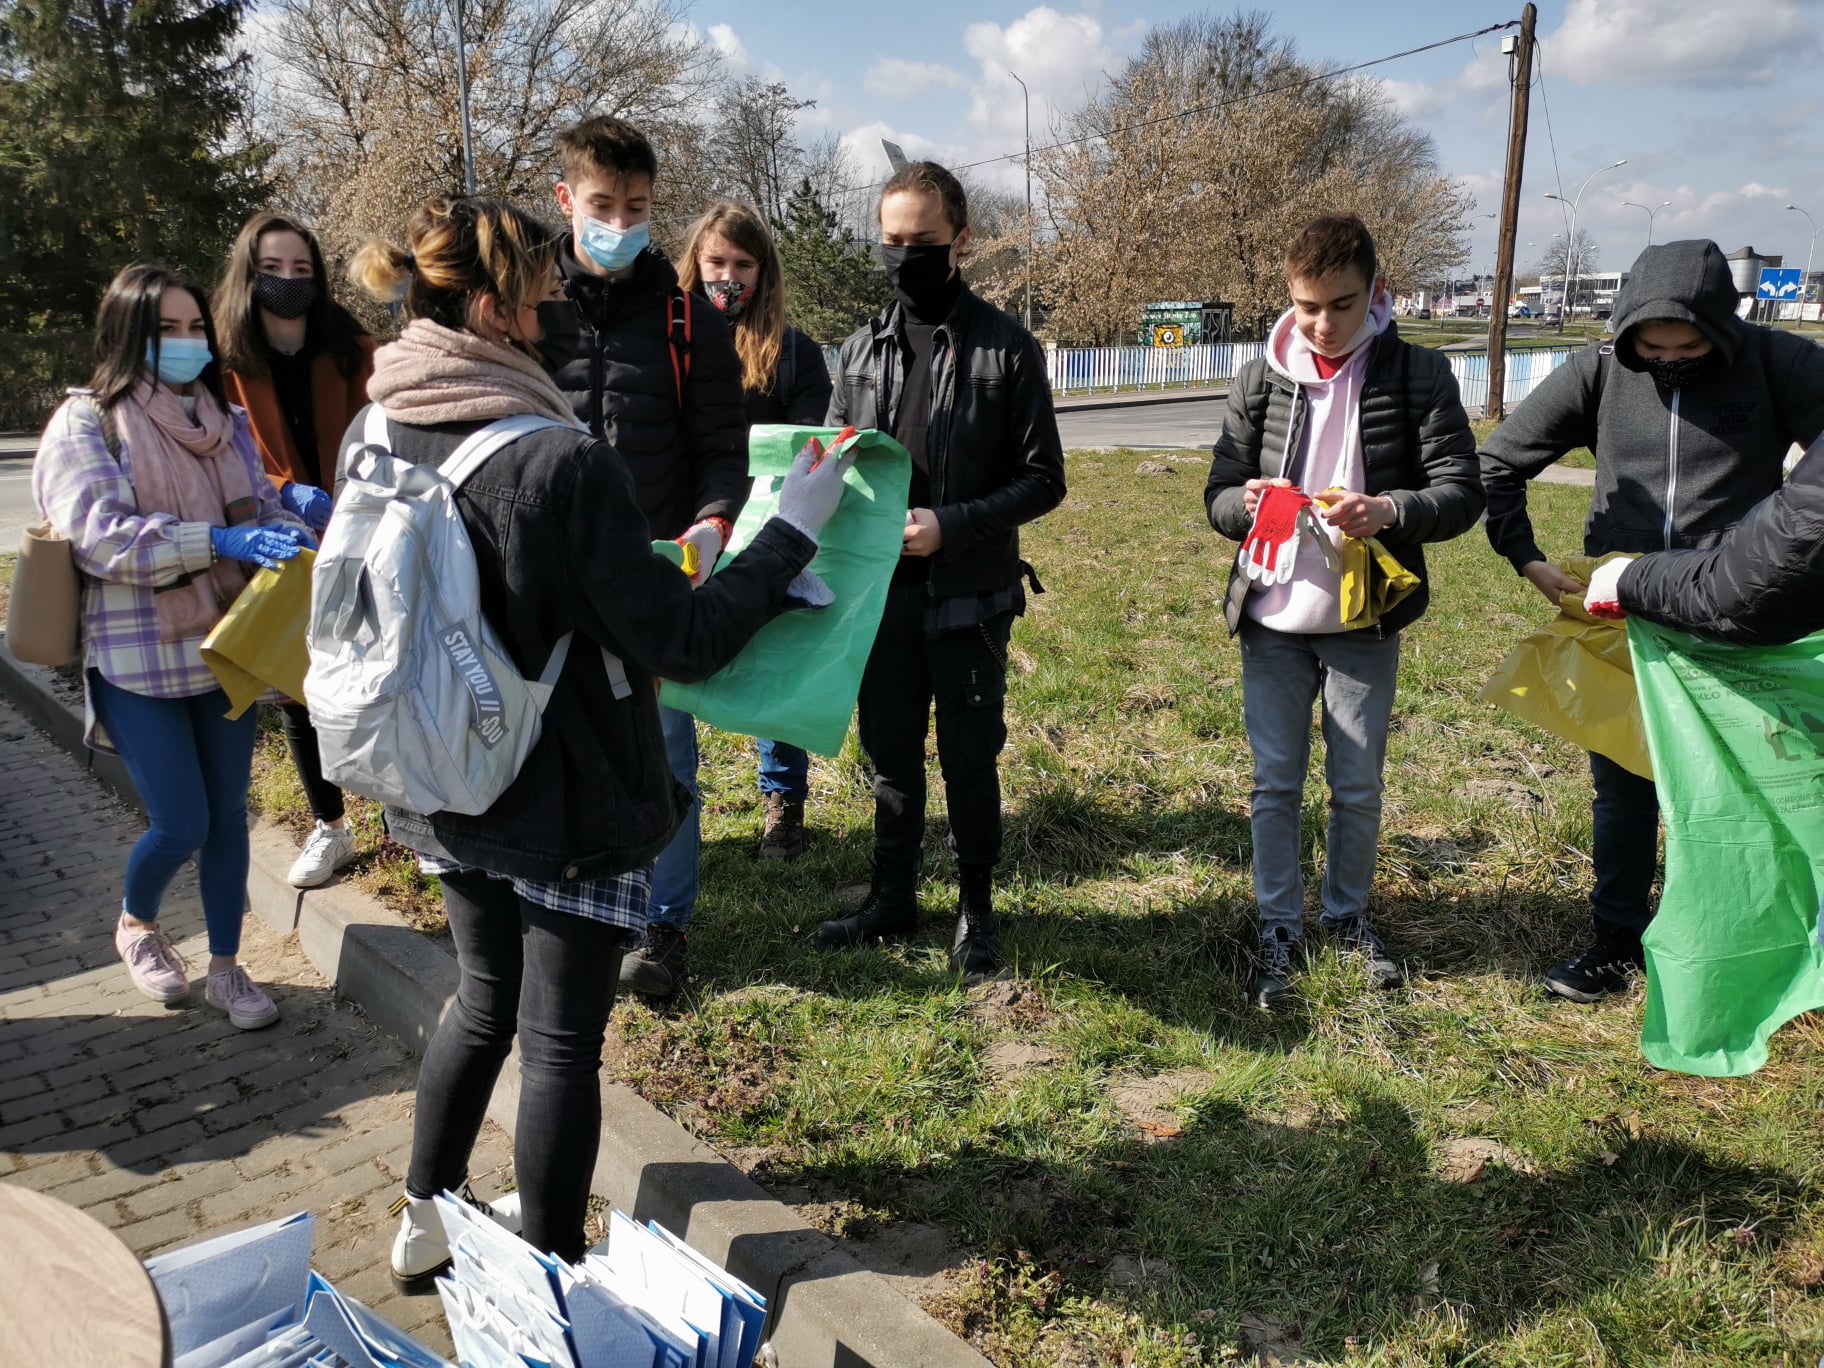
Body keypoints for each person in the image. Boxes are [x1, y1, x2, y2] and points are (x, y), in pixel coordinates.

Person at [346, 196, 849, 1280]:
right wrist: (789, 532)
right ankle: (546, 1272)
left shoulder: (380, 416)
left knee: (480, 1001)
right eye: (540, 292)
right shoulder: (558, 464)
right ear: (492, 309)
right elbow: (683, 640)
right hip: (561, 789)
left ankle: (424, 1214)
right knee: (563, 1045)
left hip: (439, 767)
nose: (559, 308)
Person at [1481, 238, 1824, 1003]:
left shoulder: (1780, 363)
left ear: (1722, 329)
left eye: (1690, 345)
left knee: (1738, 785)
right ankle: (1615, 941)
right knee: (1625, 785)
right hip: (1623, 612)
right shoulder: (1599, 370)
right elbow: (1498, 463)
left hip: (1739, 608)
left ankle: (1749, 942)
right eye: (1653, 345)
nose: (1669, 359)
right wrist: (1528, 560)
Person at [1205, 214, 1483, 1012]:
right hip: (1270, 619)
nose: (1321, 324)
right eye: (1305, 305)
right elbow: (1218, 492)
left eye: (1341, 304)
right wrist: (1244, 503)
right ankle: (1278, 926)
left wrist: (1390, 510)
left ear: (1377, 292)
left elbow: (1461, 491)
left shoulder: (1418, 374)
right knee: (1274, 782)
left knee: (1356, 784)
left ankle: (1349, 919)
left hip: (1365, 620)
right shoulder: (1259, 376)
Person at [31, 264, 315, 1028]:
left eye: (196, 328)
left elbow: (259, 507)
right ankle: (138, 925)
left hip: (225, 647)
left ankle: (226, 967)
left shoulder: (226, 423)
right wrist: (215, 539)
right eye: (167, 329)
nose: (187, 343)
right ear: (127, 334)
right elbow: (101, 539)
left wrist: (301, 530)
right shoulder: (88, 423)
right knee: (180, 823)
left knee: (229, 820)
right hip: (136, 656)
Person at [814, 160, 1067, 981]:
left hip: (970, 596)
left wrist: (949, 526)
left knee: (968, 758)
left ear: (961, 240)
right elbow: (828, 463)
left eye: (921, 241)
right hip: (878, 598)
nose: (903, 255)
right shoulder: (857, 352)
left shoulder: (1008, 349)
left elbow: (1044, 478)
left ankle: (976, 909)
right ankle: (892, 900)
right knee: (889, 756)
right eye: (889, 241)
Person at [543, 115, 749, 1000]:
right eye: (601, 204)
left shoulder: (687, 320)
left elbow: (721, 447)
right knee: (547, 744)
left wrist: (713, 520)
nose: (619, 223)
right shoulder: (527, 310)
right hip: (544, 579)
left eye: (637, 207)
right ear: (566, 199)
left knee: (664, 759)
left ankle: (662, 929)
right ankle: (562, 909)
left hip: (656, 573)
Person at [215, 211, 377, 889]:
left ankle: (409, 813)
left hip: (364, 525)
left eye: (302, 269)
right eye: (273, 269)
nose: (287, 282)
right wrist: (290, 494)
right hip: (284, 538)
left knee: (386, 673)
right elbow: (227, 456)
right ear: (248, 276)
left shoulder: (351, 347)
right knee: (302, 687)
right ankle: (330, 826)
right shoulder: (225, 361)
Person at [676, 199, 833, 863]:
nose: (727, 276)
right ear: (695, 264)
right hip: (685, 531)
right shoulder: (667, 341)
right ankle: (675, 811)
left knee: (769, 667)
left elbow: (804, 448)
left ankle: (782, 804)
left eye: (742, 264)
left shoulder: (794, 355)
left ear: (763, 273)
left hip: (764, 531)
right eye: (716, 262)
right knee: (670, 670)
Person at [1582, 435, 1824, 643]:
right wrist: (1541, 563)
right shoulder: (1600, 379)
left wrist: (1629, 579)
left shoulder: (1781, 380)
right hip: (1674, 606)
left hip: (1715, 613)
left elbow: (1754, 590)